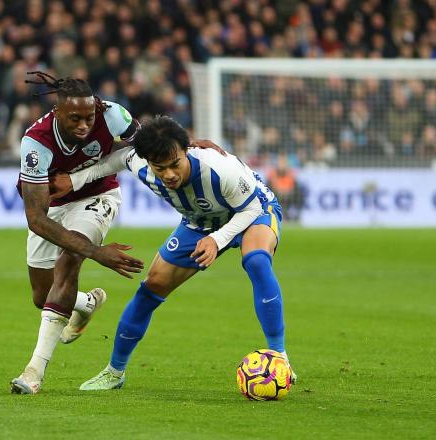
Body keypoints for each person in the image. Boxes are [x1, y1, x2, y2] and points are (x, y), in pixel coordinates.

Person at [50, 116, 297, 391]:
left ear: (186, 151)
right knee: (150, 289)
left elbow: (251, 209)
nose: (169, 174)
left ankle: (279, 358)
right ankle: (114, 372)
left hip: (252, 212)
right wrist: (74, 180)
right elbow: (115, 161)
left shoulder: (218, 168)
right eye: (160, 168)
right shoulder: (140, 162)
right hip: (199, 223)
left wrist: (216, 240)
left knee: (256, 261)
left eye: (175, 164)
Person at [9, 72, 145, 395]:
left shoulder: (113, 115)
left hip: (98, 198)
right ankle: (86, 303)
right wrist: (98, 253)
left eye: (89, 117)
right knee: (43, 297)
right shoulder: (35, 143)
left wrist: (191, 146)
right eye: (75, 119)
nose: (84, 125)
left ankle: (33, 372)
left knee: (69, 261)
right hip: (51, 211)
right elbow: (36, 219)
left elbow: (142, 148)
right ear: (57, 113)